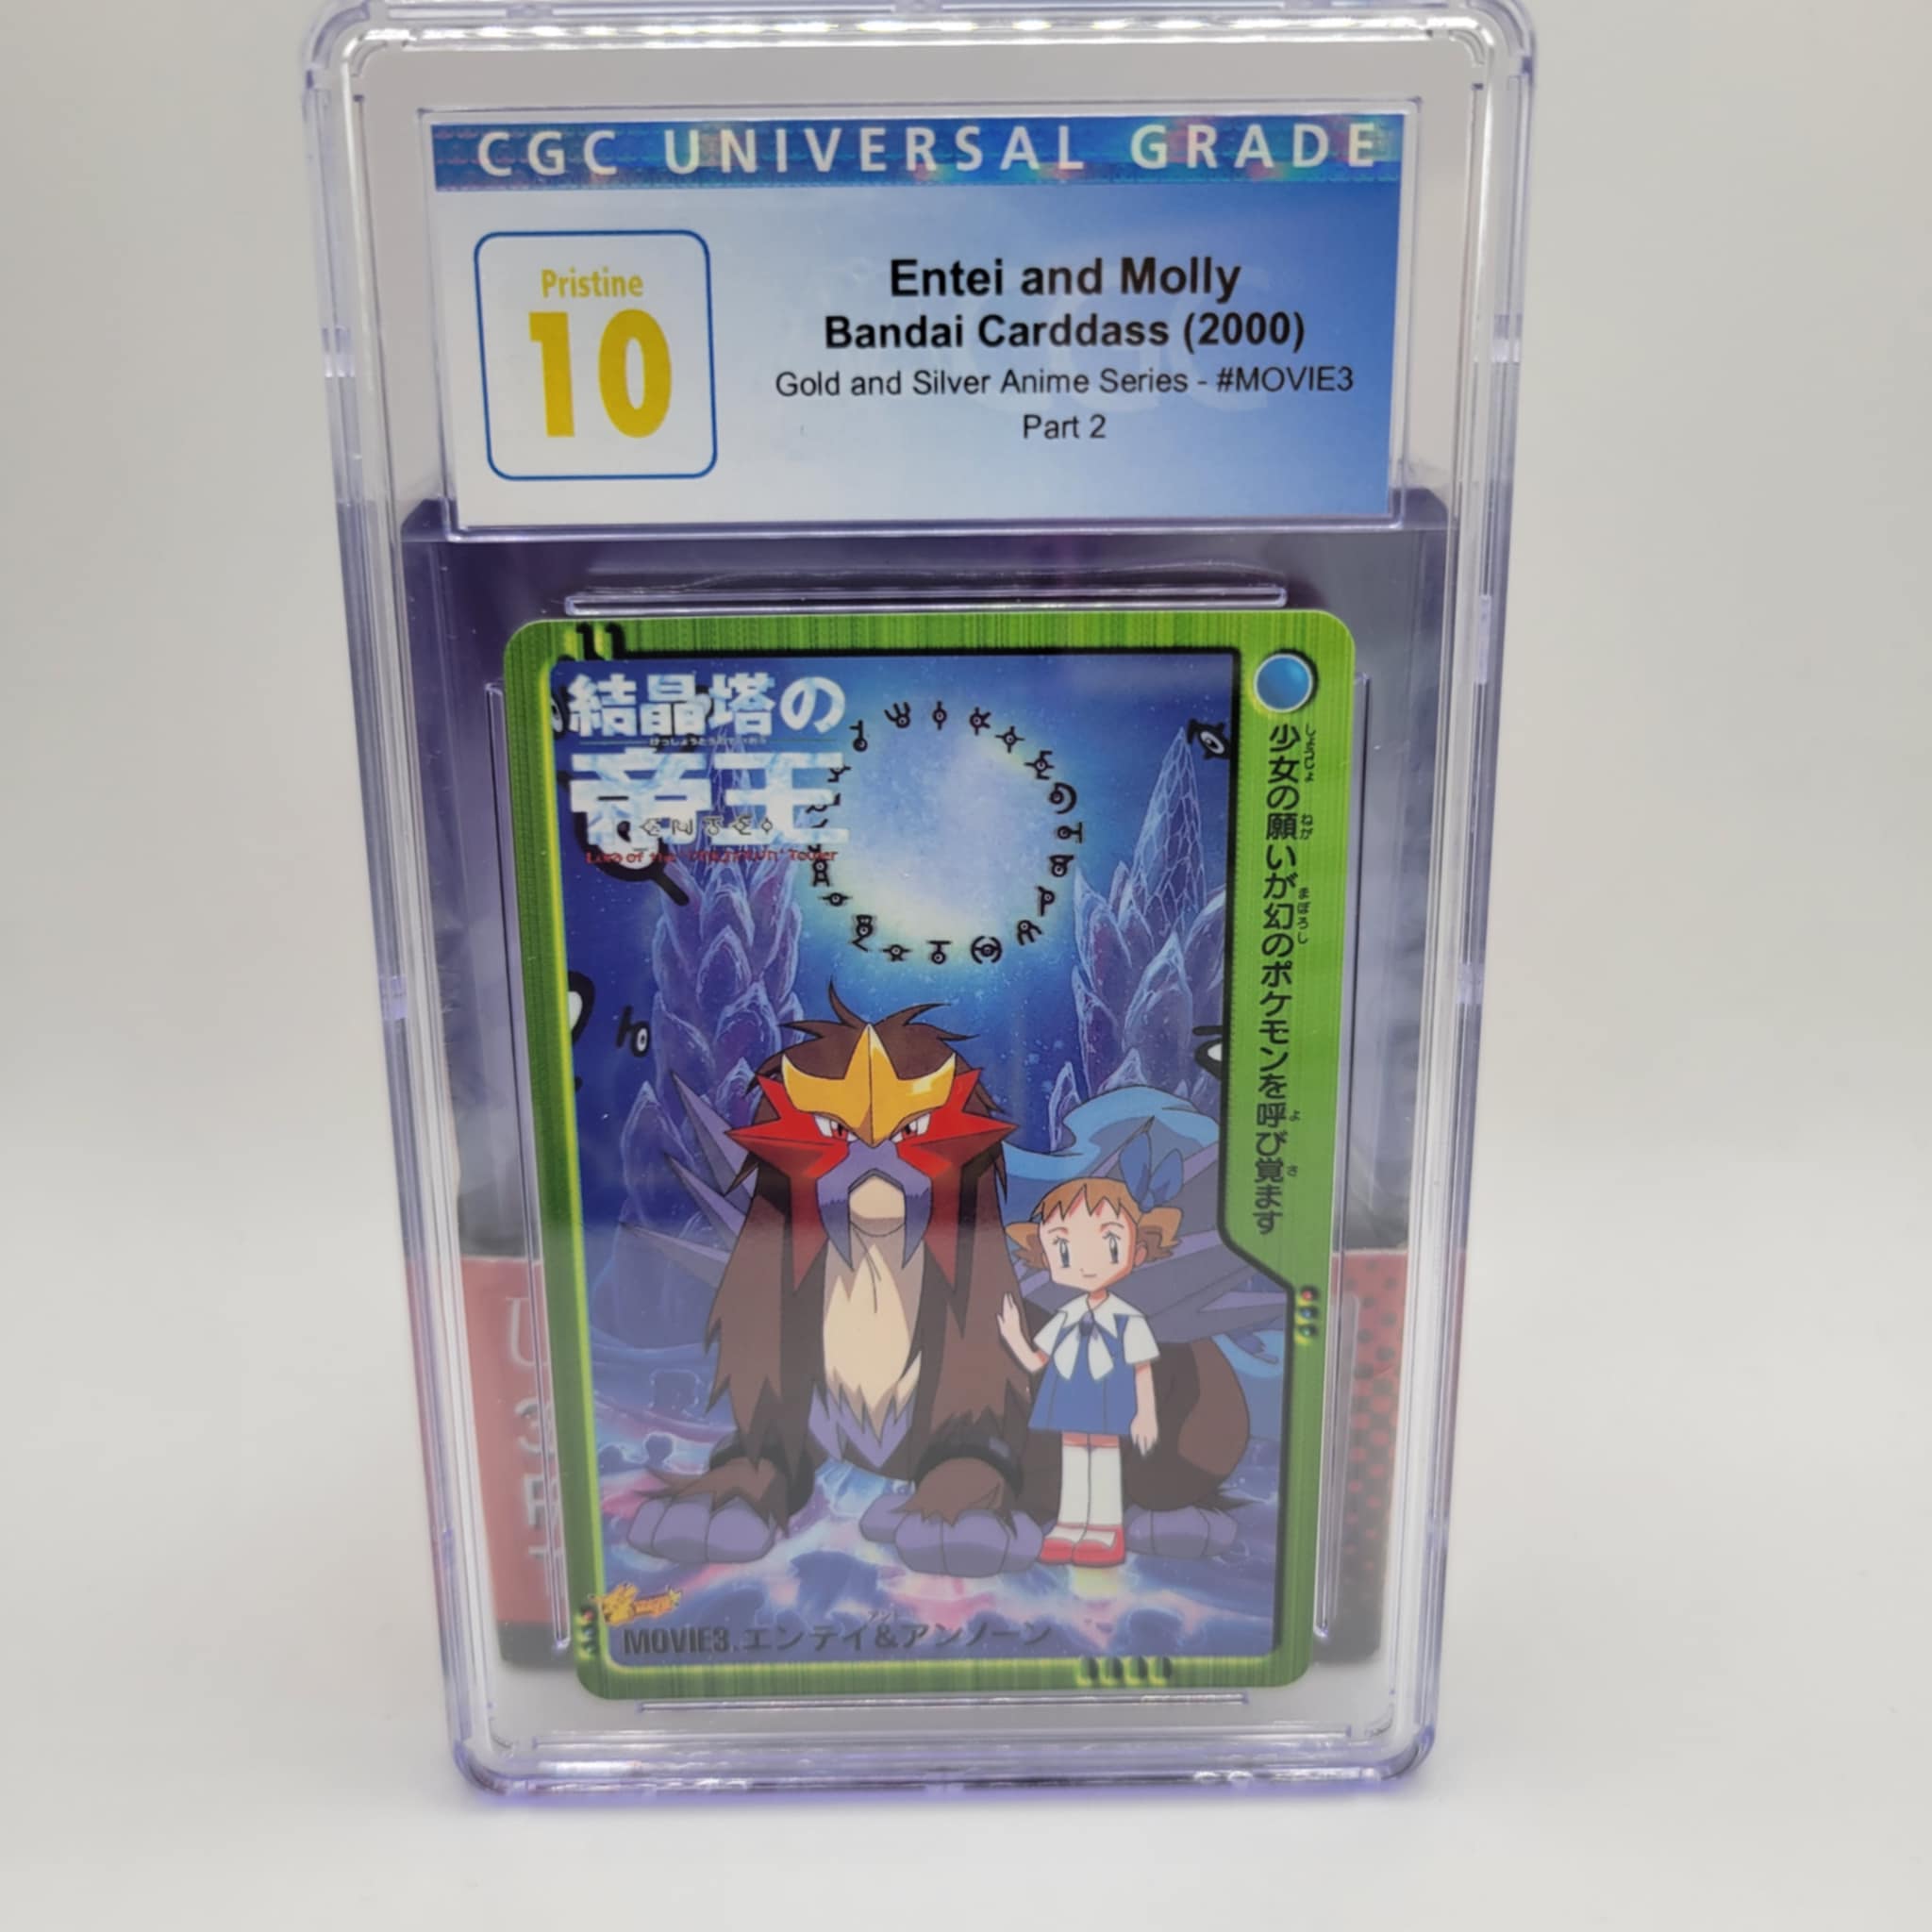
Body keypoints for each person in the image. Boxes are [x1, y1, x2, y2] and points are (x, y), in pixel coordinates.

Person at [998, 1178, 1180, 1566]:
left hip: (1109, 1398)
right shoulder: (1067, 1316)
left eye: (1109, 1243)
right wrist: (1013, 1337)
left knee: (1103, 1458)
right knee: (1075, 1457)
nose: (1085, 1262)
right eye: (1063, 1248)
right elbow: (1036, 1361)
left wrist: (1146, 1414)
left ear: (1138, 1250)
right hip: (1069, 1395)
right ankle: (1070, 1523)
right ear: (1044, 1255)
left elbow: (1141, 1368)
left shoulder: (1127, 1318)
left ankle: (1105, 1528)